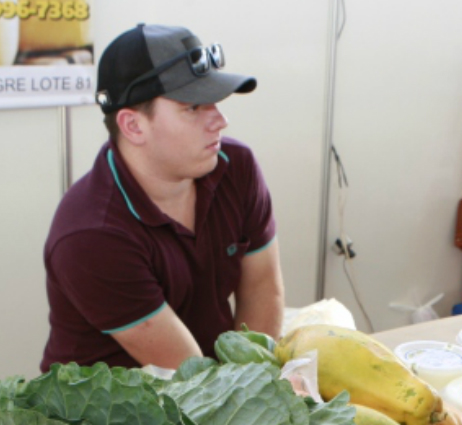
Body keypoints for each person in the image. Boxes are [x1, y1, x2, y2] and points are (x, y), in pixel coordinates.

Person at [40, 24, 285, 372]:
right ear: (133, 126)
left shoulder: (236, 167)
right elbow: (184, 368)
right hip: (115, 418)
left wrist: (260, 377)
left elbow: (263, 287)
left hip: (210, 389)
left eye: (214, 101)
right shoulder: (92, 233)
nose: (221, 120)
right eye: (194, 107)